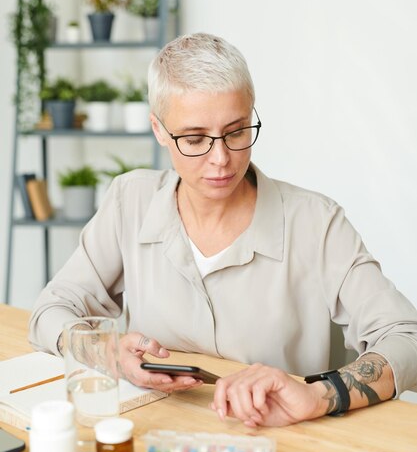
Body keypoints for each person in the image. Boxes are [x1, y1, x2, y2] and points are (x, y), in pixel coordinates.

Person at [29, 33, 417, 427]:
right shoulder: (130, 201)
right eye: (195, 139)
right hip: (161, 439)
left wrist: (319, 394)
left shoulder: (316, 222)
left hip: (286, 449)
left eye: (236, 131)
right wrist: (103, 352)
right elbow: (51, 310)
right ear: (159, 130)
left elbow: (407, 338)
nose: (221, 159)